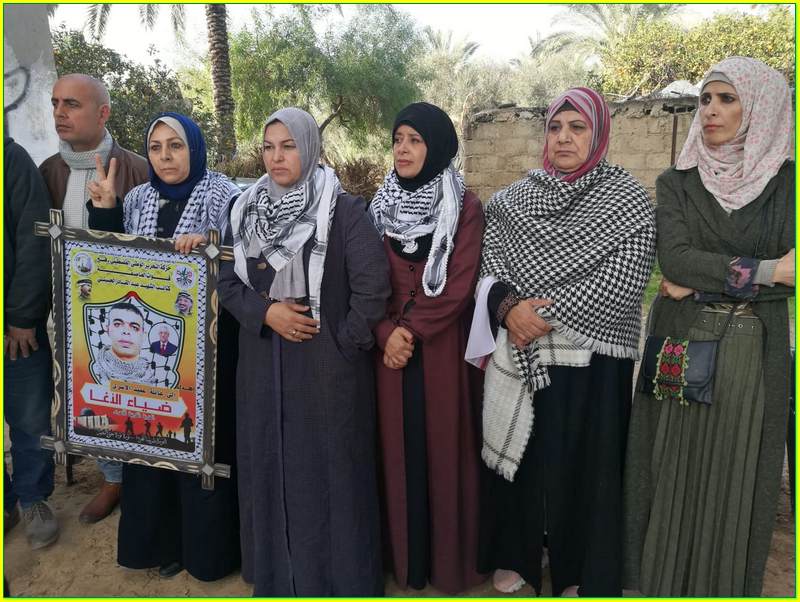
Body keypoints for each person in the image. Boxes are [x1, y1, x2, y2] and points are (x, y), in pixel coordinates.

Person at [472, 87, 656, 596]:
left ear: (599, 134)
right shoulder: (512, 201)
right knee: (525, 454)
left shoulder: (627, 200)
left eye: (577, 127)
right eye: (555, 127)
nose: (564, 138)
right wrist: (510, 310)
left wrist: (539, 314)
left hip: (595, 356)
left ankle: (578, 567)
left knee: (585, 462)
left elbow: (626, 278)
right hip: (524, 348)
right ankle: (519, 554)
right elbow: (491, 267)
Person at [623, 57, 795, 597]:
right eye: (706, 99)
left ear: (760, 108)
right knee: (671, 468)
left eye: (727, 99)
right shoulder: (677, 181)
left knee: (736, 472)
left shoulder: (787, 186)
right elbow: (675, 261)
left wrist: (702, 282)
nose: (711, 111)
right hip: (682, 345)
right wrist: (765, 271)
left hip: (753, 356)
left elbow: (794, 278)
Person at [218, 107, 390, 596]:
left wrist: (341, 345)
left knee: (329, 471)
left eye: (288, 146)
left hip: (324, 371)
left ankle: (339, 581)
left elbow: (372, 289)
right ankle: (276, 575)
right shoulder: (242, 211)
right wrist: (266, 313)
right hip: (261, 363)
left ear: (310, 148)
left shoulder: (343, 211)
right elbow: (227, 281)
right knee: (269, 465)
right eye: (269, 147)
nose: (276, 157)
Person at [87, 111, 242, 581]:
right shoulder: (137, 198)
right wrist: (105, 210)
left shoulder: (226, 196)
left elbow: (246, 257)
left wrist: (211, 245)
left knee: (199, 443)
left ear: (194, 148)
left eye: (175, 146)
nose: (165, 157)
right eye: (155, 148)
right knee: (153, 442)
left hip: (208, 353)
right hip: (147, 359)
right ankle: (161, 545)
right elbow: (110, 262)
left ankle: (207, 552)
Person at [369, 102, 485, 594]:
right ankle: (406, 563)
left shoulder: (465, 207)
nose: (403, 149)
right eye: (398, 139)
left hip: (440, 351)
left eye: (414, 140)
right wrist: (384, 333)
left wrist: (410, 332)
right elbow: (364, 278)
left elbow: (459, 285)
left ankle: (447, 566)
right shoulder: (377, 207)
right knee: (396, 454)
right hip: (389, 355)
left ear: (436, 146)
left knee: (443, 451)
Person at [40, 73, 148, 524]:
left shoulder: (137, 168)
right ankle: (112, 478)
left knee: (132, 392)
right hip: (67, 314)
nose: (60, 113)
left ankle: (145, 473)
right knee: (89, 397)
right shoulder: (49, 171)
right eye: (55, 103)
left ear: (103, 113)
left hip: (126, 314)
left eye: (72, 104)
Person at [4, 137, 58, 549]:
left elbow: (33, 238)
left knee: (28, 417)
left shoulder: (11, 159)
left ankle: (33, 498)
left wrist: (22, 316)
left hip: (14, 329)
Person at [93, 302, 155, 385]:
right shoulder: (93, 368)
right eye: (117, 324)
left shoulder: (152, 376)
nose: (126, 331)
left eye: (134, 327)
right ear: (107, 329)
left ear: (143, 335)